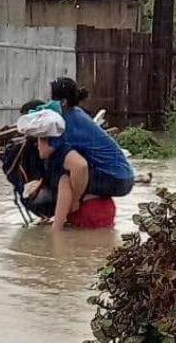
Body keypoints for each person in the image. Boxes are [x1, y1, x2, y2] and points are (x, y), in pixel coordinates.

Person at [45, 77, 135, 230]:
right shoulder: (76, 113)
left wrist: (76, 199)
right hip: (124, 177)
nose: (47, 101)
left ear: (63, 102)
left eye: (50, 98)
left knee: (65, 179)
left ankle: (56, 231)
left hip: (115, 179)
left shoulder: (66, 122)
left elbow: (45, 152)